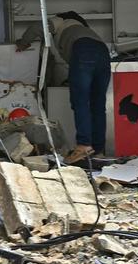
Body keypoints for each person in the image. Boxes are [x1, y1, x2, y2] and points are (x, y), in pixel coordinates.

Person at [17, 11, 111, 162]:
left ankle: (83, 145)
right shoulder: (84, 30)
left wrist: (23, 42)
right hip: (103, 53)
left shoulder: (60, 21)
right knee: (98, 105)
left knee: (80, 102)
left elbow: (37, 28)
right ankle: (98, 150)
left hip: (83, 51)